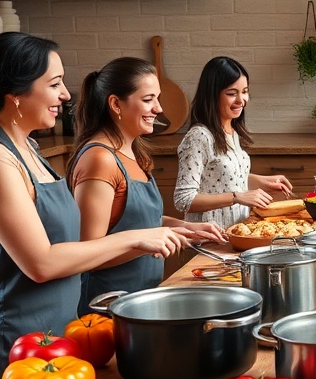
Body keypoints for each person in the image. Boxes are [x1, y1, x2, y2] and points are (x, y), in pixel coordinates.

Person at [0, 33, 190, 379]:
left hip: (58, 333)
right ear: (16, 92)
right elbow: (41, 263)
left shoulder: (26, 146)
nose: (66, 95)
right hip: (19, 344)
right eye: (55, 83)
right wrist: (136, 237)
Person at [68, 57, 227, 315]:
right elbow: (87, 254)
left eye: (158, 98)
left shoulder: (134, 152)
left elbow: (137, 220)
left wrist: (185, 228)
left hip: (141, 297)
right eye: (148, 99)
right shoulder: (99, 159)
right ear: (116, 104)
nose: (159, 109)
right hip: (107, 306)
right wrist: (147, 242)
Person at [174, 56, 293, 228]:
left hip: (237, 232)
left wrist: (262, 181)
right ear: (212, 95)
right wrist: (237, 197)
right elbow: (183, 200)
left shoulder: (232, 132)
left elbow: (221, 179)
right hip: (211, 238)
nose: (241, 100)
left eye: (244, 91)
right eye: (231, 93)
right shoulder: (199, 137)